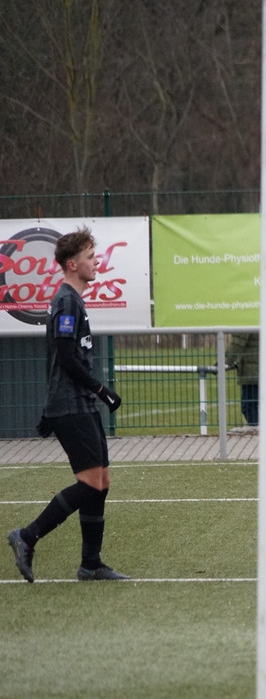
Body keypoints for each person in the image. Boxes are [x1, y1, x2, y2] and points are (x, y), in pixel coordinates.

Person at [7, 227, 130, 583]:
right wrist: (101, 389)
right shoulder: (66, 301)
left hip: (78, 403)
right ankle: (26, 536)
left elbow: (61, 357)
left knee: (101, 481)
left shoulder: (74, 300)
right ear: (73, 264)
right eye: (91, 257)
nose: (97, 262)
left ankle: (91, 564)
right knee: (90, 483)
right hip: (72, 405)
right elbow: (65, 356)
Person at [226, 332, 259, 426]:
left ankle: (258, 431)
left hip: (252, 373)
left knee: (248, 406)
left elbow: (237, 343)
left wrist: (225, 362)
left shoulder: (244, 325)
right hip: (260, 370)